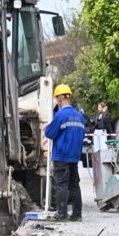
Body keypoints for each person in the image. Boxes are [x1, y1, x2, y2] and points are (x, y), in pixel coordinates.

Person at [44, 84, 85, 221]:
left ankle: (62, 214)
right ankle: (77, 214)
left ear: (60, 98)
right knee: (74, 185)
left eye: (57, 98)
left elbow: (50, 133)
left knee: (61, 185)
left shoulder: (61, 115)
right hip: (74, 156)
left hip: (61, 156)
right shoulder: (79, 116)